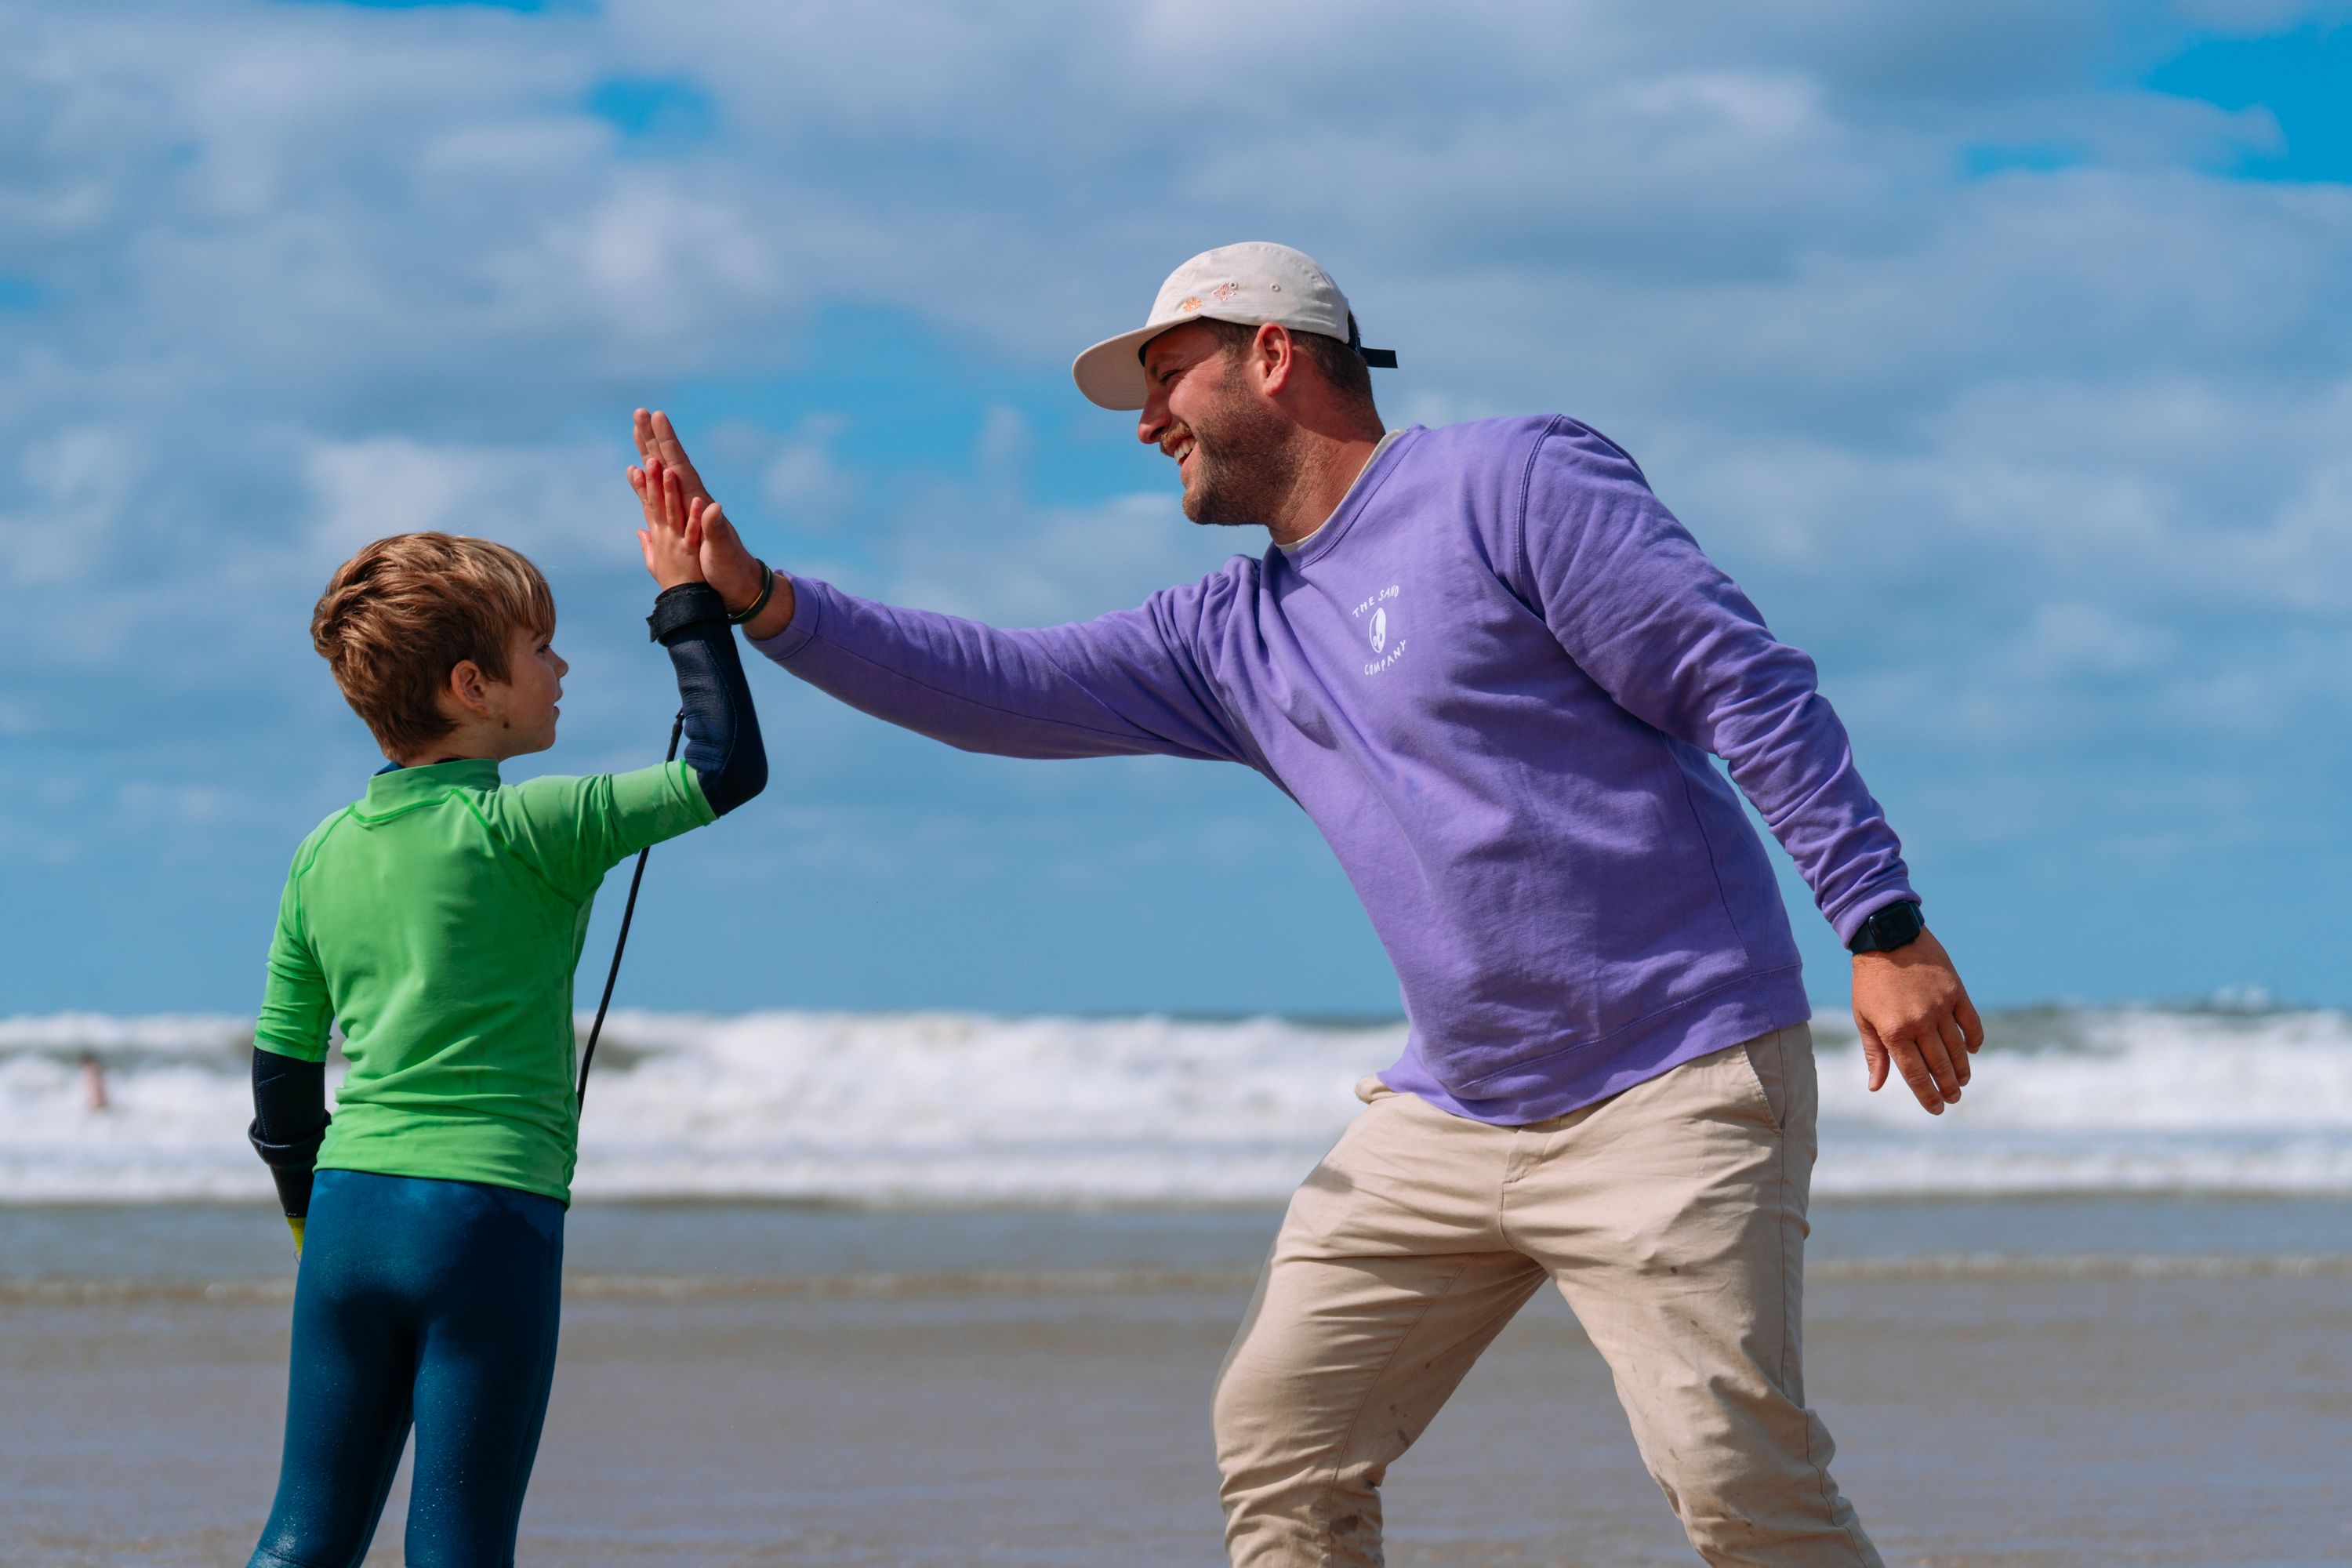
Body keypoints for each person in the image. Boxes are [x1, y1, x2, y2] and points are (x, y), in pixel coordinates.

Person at [634, 241, 1982, 1567]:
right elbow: (1004, 687)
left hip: (1669, 1083)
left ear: (1272, 355)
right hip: (1454, 1113)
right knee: (1280, 1440)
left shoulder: (1511, 483)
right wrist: (760, 599)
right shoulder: (1231, 635)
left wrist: (1879, 924)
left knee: (1739, 1489)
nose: (1147, 421)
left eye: (1167, 376)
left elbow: (1742, 681)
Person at [241, 466, 765, 1567]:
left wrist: (310, 1228)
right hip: (487, 1218)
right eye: (542, 650)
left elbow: (282, 1082)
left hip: (346, 1218)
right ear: (472, 687)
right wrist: (688, 602)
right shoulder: (540, 826)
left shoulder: (320, 853)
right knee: (461, 1546)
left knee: (303, 1534)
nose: (562, 670)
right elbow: (726, 767)